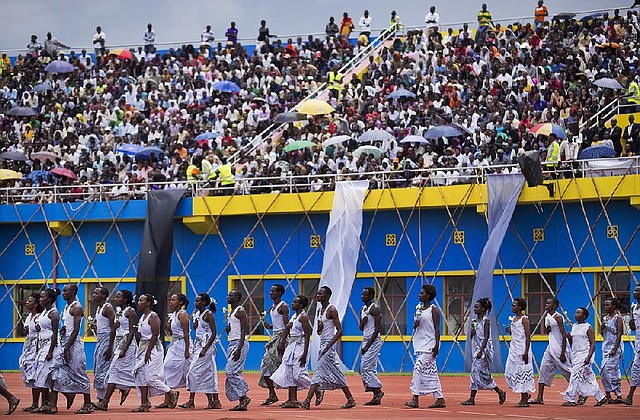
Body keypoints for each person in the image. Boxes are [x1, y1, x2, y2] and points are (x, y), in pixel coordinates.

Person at [300, 286, 356, 410]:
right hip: (322, 343)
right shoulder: (320, 311)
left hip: (329, 344)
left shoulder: (332, 310)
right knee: (336, 372)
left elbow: (340, 331)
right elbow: (322, 329)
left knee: (318, 371)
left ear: (327, 296)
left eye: (321, 294)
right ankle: (350, 399)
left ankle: (307, 400)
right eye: (318, 293)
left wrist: (328, 346)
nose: (318, 295)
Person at [132, 293, 179, 412]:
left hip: (152, 350)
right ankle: (144, 403)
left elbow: (154, 336)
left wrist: (148, 352)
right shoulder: (142, 317)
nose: (139, 302)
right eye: (138, 300)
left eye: (141, 300)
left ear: (148, 303)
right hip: (142, 348)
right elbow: (143, 335)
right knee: (140, 376)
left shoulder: (153, 317)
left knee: (150, 378)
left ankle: (171, 392)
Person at [94, 290, 138, 411]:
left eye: (118, 297)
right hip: (118, 343)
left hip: (126, 344)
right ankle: (123, 389)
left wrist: (124, 349)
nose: (116, 299)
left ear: (125, 299)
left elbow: (131, 332)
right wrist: (111, 345)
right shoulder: (120, 312)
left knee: (113, 371)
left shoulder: (130, 311)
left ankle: (104, 402)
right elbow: (114, 328)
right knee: (116, 372)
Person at [405, 284, 446, 409]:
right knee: (431, 372)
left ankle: (415, 398)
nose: (419, 295)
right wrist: (415, 324)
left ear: (428, 296)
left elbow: (437, 329)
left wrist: (436, 345)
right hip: (419, 344)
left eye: (422, 293)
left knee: (418, 368)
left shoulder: (434, 310)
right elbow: (417, 327)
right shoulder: (418, 308)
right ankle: (440, 399)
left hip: (430, 345)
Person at [462, 298, 506, 405]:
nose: (475, 309)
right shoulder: (473, 321)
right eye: (474, 307)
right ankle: (497, 391)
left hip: (483, 349)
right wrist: (472, 332)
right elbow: (472, 336)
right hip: (475, 349)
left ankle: (474, 397)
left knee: (476, 372)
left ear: (483, 309)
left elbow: (486, 336)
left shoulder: (486, 321)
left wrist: (481, 350)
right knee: (479, 373)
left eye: (477, 307)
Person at [181, 293, 221, 409]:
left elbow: (214, 333)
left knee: (192, 372)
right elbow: (198, 331)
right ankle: (212, 401)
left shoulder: (209, 315)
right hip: (198, 345)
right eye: (195, 301)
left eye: (198, 301)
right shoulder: (198, 314)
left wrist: (205, 348)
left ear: (204, 302)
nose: (195, 303)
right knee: (208, 373)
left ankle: (193, 400)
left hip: (206, 346)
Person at [271, 295, 312, 408]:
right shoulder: (294, 316)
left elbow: (308, 335)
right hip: (292, 345)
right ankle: (292, 400)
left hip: (301, 345)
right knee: (289, 371)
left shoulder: (303, 317)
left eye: (295, 302)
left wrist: (304, 353)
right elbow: (287, 329)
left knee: (297, 373)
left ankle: (315, 388)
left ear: (301, 305)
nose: (292, 304)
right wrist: (283, 342)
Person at [528, 297, 571, 405]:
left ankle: (580, 393)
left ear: (555, 306)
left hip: (559, 348)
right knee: (543, 369)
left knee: (567, 371)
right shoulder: (548, 317)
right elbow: (550, 333)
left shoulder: (558, 317)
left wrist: (562, 352)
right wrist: (548, 329)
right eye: (546, 303)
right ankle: (539, 397)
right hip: (550, 348)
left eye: (549, 303)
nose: (546, 305)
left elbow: (563, 335)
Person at [561, 307, 607, 406]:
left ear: (584, 316)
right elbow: (574, 343)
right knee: (588, 376)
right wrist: (569, 338)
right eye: (575, 312)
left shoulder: (588, 327)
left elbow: (592, 343)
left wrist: (588, 356)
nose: (575, 314)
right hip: (576, 354)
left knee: (575, 375)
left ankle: (571, 398)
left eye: (578, 313)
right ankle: (601, 397)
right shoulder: (574, 326)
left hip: (585, 354)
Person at [259, 284, 290, 405]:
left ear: (280, 293)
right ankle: (272, 395)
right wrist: (270, 326)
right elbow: (278, 324)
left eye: (273, 291)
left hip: (282, 338)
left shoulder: (284, 306)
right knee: (266, 365)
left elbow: (287, 326)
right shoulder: (272, 307)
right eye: (270, 290)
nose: (271, 292)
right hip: (275, 337)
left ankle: (293, 396)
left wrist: (282, 342)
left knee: (286, 367)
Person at [158, 293, 191, 407]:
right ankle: (168, 398)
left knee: (175, 368)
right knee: (166, 368)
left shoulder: (182, 314)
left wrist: (187, 350)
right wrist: (168, 325)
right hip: (174, 344)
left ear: (180, 302)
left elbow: (186, 333)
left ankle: (205, 397)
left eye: (174, 300)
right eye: (170, 300)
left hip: (182, 344)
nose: (171, 302)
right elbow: (171, 333)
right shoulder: (174, 315)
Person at [33, 288, 60, 413]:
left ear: (49, 299)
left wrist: (50, 351)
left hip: (50, 347)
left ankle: (53, 404)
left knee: (51, 375)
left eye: (42, 297)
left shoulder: (53, 313)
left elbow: (55, 333)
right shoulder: (44, 312)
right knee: (42, 376)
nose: (40, 299)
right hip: (42, 346)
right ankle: (45, 403)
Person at [504, 298, 535, 407]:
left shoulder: (524, 319)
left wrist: (526, 352)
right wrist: (510, 331)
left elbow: (527, 336)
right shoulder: (513, 319)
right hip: (514, 348)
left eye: (514, 305)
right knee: (509, 371)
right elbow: (516, 333)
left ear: (520, 307)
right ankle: (525, 396)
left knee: (522, 372)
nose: (512, 307)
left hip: (522, 348)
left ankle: (524, 398)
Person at [225, 289, 251, 411]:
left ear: (236, 298)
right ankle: (242, 400)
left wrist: (239, 348)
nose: (227, 297)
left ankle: (244, 395)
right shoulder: (231, 312)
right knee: (234, 372)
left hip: (239, 344)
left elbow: (243, 331)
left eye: (230, 295)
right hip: (232, 342)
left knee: (230, 371)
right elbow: (235, 328)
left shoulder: (240, 311)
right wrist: (228, 329)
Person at [359, 286, 384, 405]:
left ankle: (378, 390)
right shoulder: (363, 309)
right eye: (362, 294)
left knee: (364, 368)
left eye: (365, 294)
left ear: (371, 296)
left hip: (373, 341)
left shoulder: (375, 309)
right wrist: (362, 323)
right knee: (370, 368)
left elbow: (378, 328)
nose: (362, 296)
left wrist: (367, 346)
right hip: (365, 339)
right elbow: (362, 328)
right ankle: (376, 395)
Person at [92, 287, 116, 403]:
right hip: (100, 339)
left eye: (96, 293)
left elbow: (113, 328)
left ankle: (103, 399)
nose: (93, 295)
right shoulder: (98, 308)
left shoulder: (108, 308)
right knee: (97, 368)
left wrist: (110, 347)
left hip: (107, 340)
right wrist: (96, 328)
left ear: (103, 296)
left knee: (103, 368)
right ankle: (100, 397)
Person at [19, 293, 42, 412]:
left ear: (36, 304)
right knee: (29, 373)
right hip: (28, 347)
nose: (27, 303)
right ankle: (35, 403)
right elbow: (27, 330)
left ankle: (37, 403)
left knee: (35, 375)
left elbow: (41, 332)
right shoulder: (29, 316)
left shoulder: (39, 317)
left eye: (30, 301)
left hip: (36, 348)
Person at [600, 297, 624, 404]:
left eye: (607, 305)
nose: (605, 307)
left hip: (615, 348)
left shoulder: (617, 318)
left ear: (613, 306)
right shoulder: (605, 318)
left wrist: (615, 348)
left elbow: (619, 333)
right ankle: (617, 395)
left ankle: (609, 392)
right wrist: (602, 328)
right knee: (613, 372)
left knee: (605, 369)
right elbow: (603, 334)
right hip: (606, 347)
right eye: (605, 305)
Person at [623, 284, 640, 405]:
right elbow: (634, 327)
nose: (634, 293)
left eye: (637, 291)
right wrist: (631, 323)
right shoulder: (635, 308)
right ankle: (630, 396)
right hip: (638, 341)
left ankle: (630, 395)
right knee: (636, 369)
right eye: (634, 291)